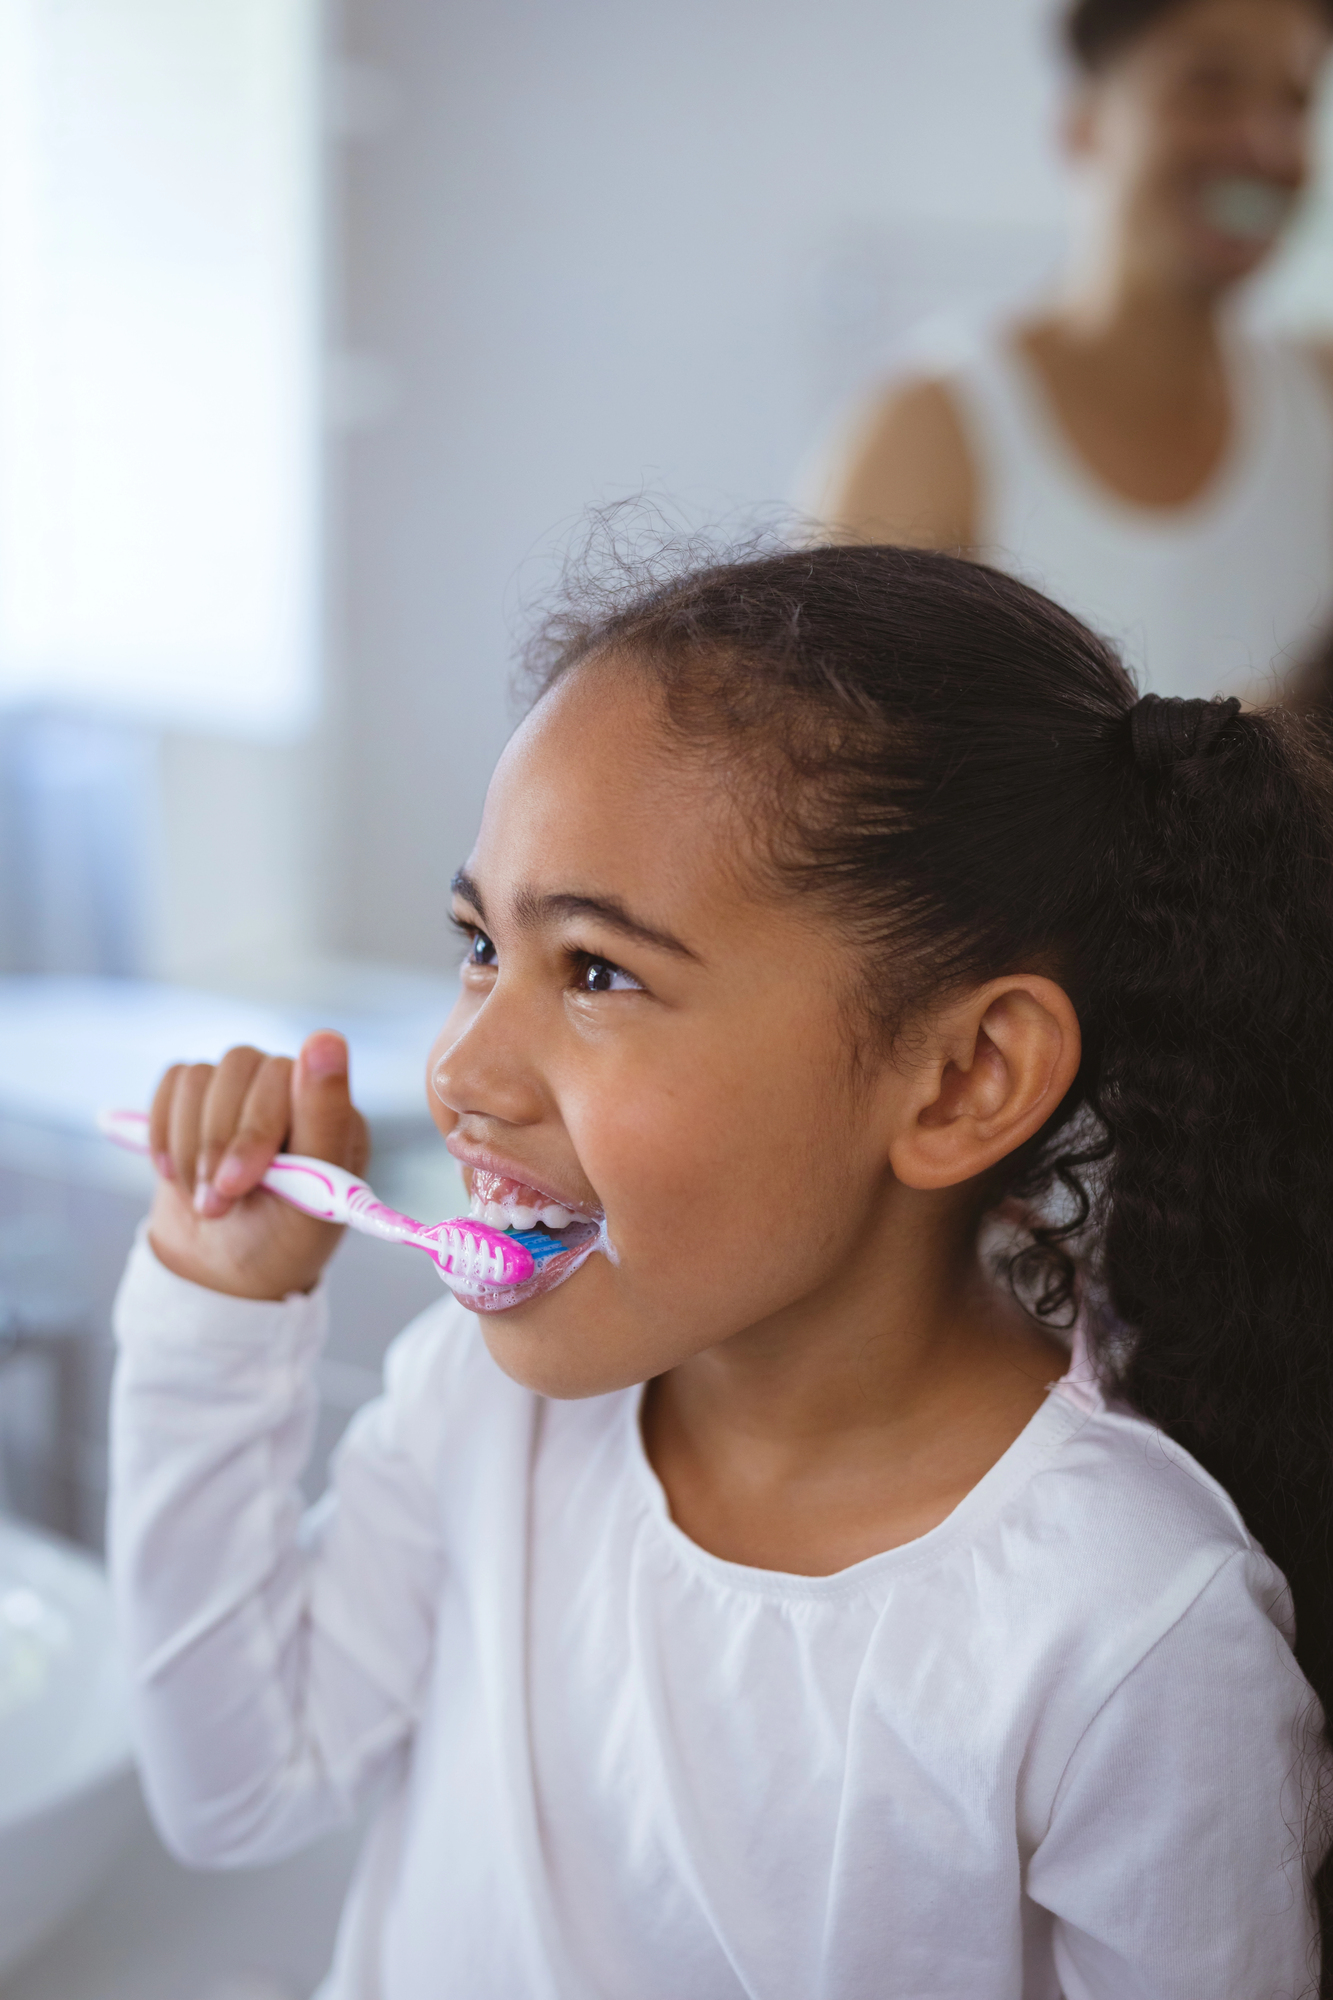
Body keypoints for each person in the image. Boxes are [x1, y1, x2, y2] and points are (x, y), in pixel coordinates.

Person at [110, 544, 1333, 1999]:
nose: (461, 1070)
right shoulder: (483, 1404)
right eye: (478, 945)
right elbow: (238, 1788)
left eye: (597, 973)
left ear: (959, 1079)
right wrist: (216, 1313)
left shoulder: (1133, 1635)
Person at [811, 0, 1333, 702]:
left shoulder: (1320, 395)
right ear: (1082, 126)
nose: (1267, 147)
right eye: (1209, 87)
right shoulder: (926, 437)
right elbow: (842, 781)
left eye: (1293, 102)